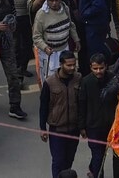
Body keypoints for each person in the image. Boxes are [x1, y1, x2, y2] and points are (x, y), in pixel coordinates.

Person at [39, 50, 82, 178]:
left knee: (68, 161)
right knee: (58, 162)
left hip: (74, 129)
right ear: (61, 64)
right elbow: (43, 107)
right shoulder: (49, 83)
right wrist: (42, 128)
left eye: (74, 64)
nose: (72, 68)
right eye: (69, 65)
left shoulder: (78, 78)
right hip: (57, 129)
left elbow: (82, 103)